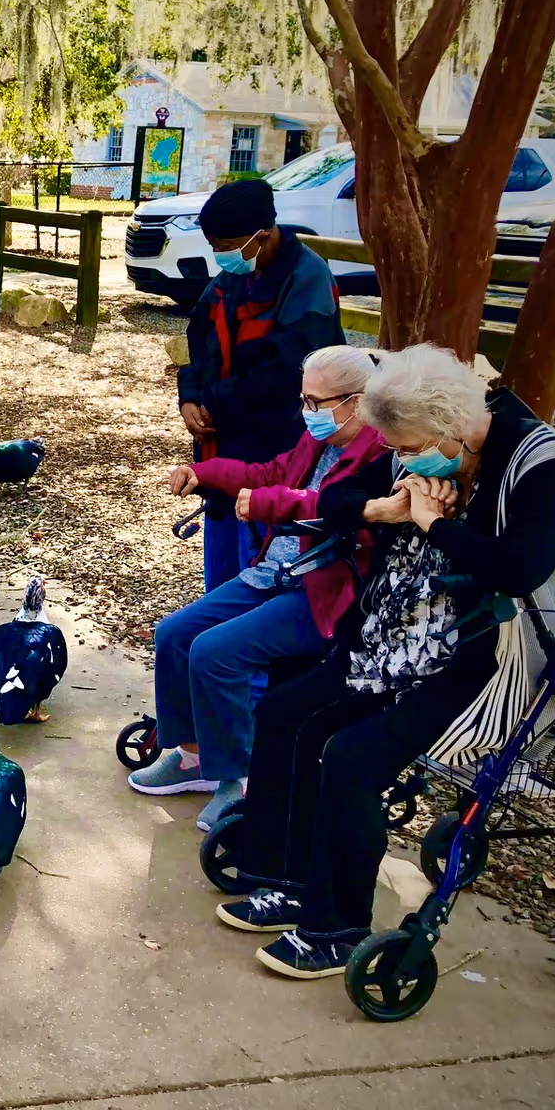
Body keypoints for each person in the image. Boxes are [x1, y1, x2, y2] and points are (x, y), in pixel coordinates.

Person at [222, 346, 555, 978]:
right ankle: (286, 878)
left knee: (352, 756)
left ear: (454, 429)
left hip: (479, 659)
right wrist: (380, 510)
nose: (404, 461)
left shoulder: (539, 461)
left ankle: (335, 928)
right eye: (400, 450)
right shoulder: (418, 437)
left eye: (413, 450)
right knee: (285, 714)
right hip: (392, 637)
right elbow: (336, 496)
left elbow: (522, 567)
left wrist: (434, 526)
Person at [130, 345, 386, 830]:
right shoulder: (319, 441)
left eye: (317, 401)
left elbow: (334, 505)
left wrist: (271, 503)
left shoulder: (381, 451)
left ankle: (242, 777)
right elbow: (268, 473)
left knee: (215, 651)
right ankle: (192, 756)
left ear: (357, 400)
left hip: (322, 592)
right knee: (174, 634)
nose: (307, 412)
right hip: (273, 574)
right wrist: (201, 473)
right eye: (304, 400)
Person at [177, 178, 345, 591]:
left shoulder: (308, 280)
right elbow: (198, 345)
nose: (220, 255)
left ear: (262, 235)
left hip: (275, 453)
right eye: (213, 244)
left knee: (257, 572)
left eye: (226, 245)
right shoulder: (231, 279)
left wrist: (214, 402)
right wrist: (190, 397)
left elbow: (287, 373)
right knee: (218, 574)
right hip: (222, 449)